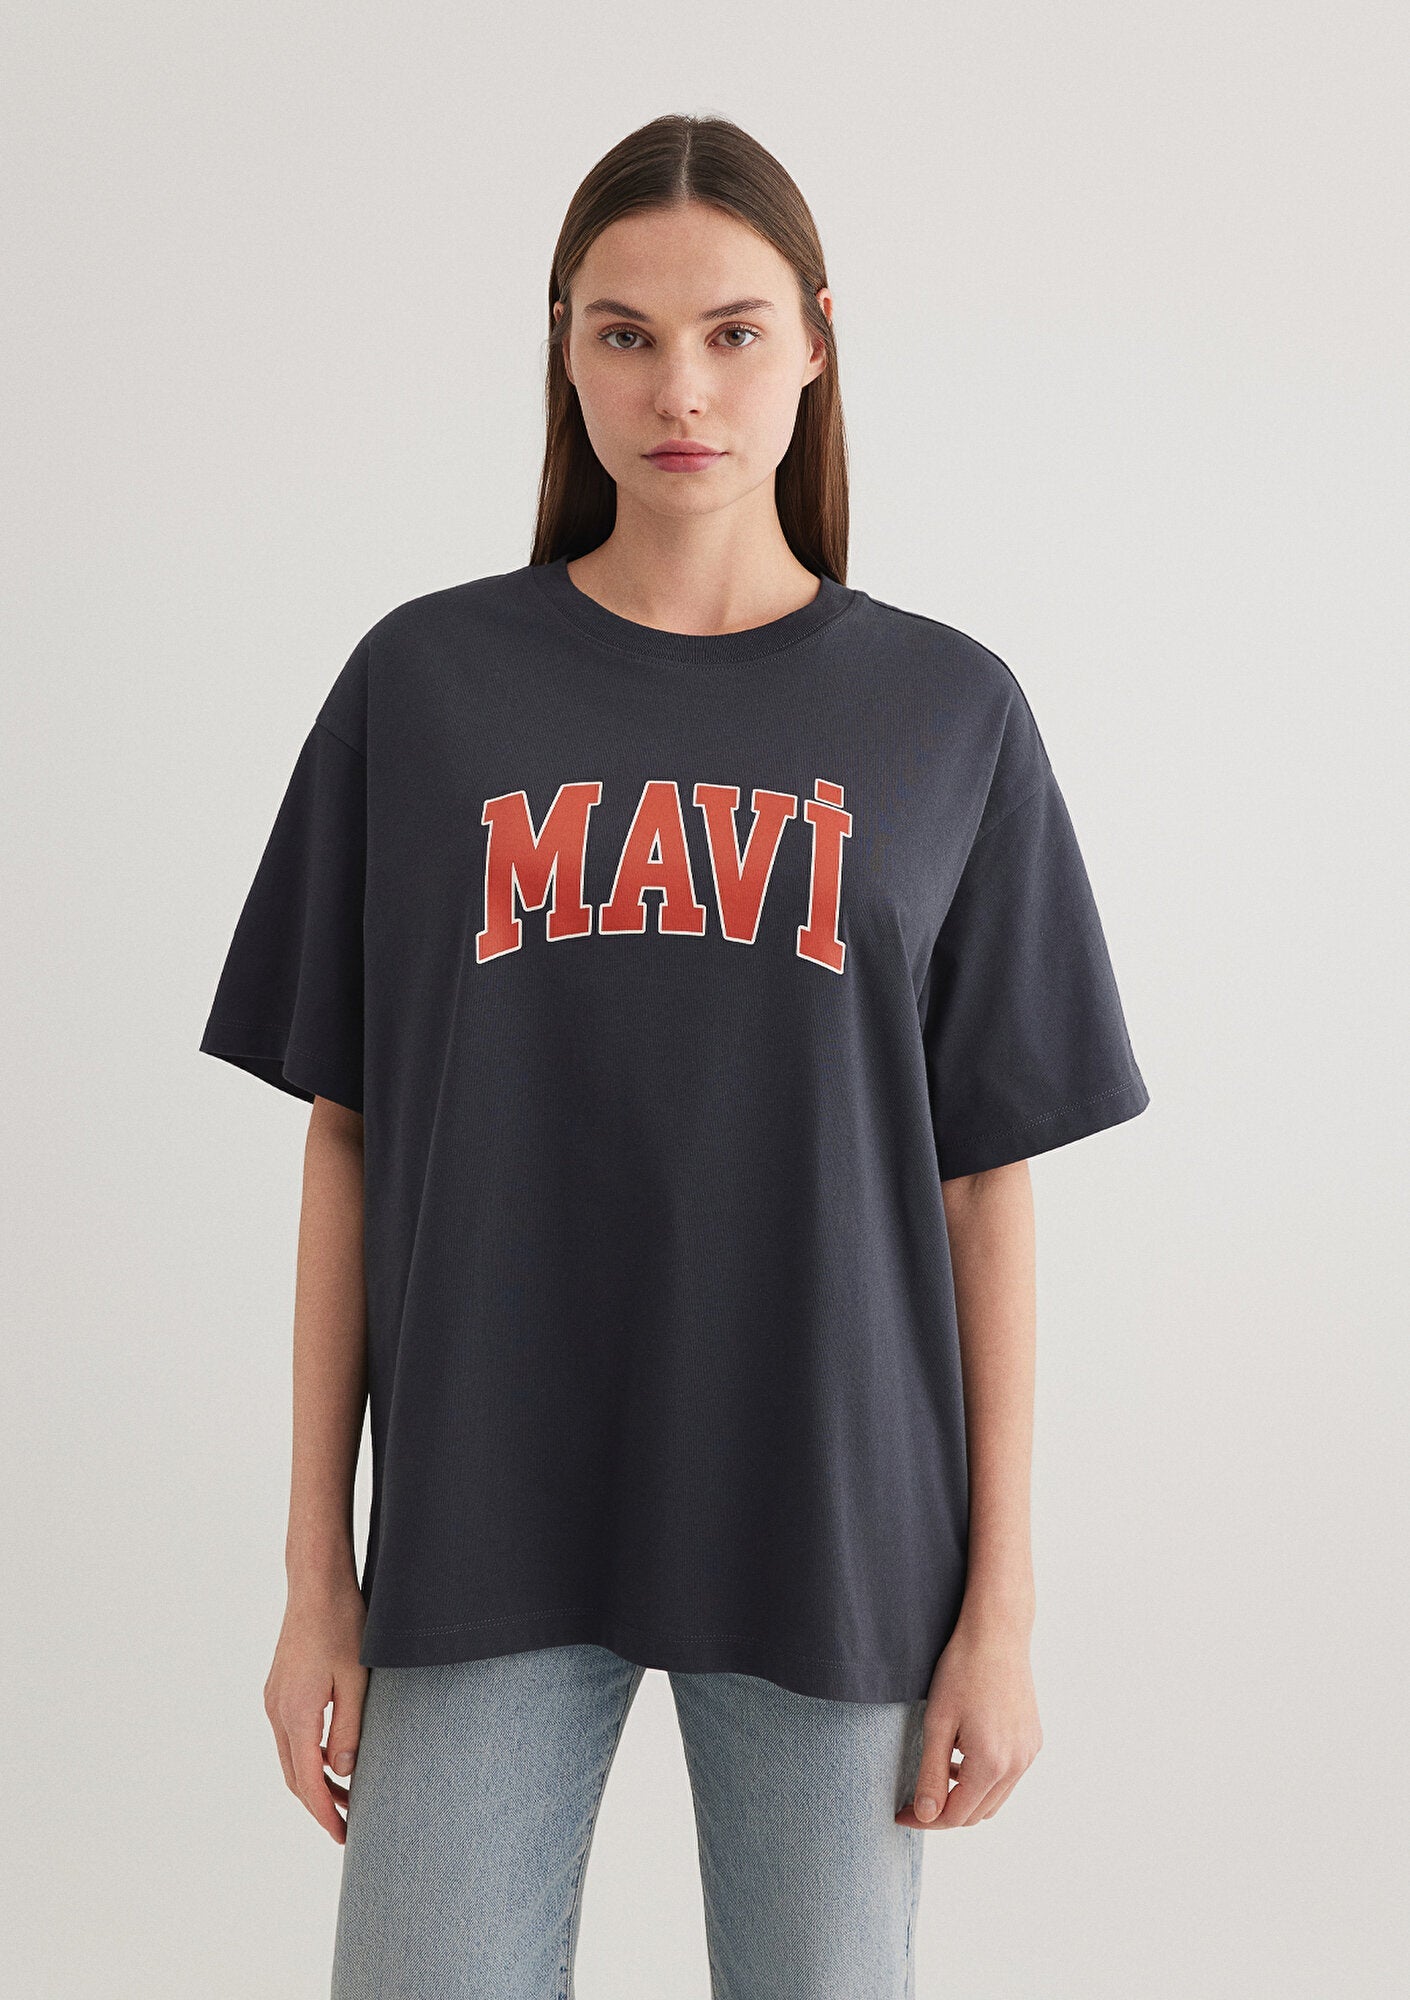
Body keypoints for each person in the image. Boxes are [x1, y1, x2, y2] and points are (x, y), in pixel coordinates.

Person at [198, 113, 1150, 2000]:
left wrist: (1003, 1606)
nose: (681, 390)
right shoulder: (425, 686)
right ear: (562, 350)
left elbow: (983, 1181)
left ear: (814, 343)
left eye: (730, 332)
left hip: (836, 1522)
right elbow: (346, 1133)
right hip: (482, 1513)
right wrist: (317, 1579)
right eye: (623, 334)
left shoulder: (947, 710)